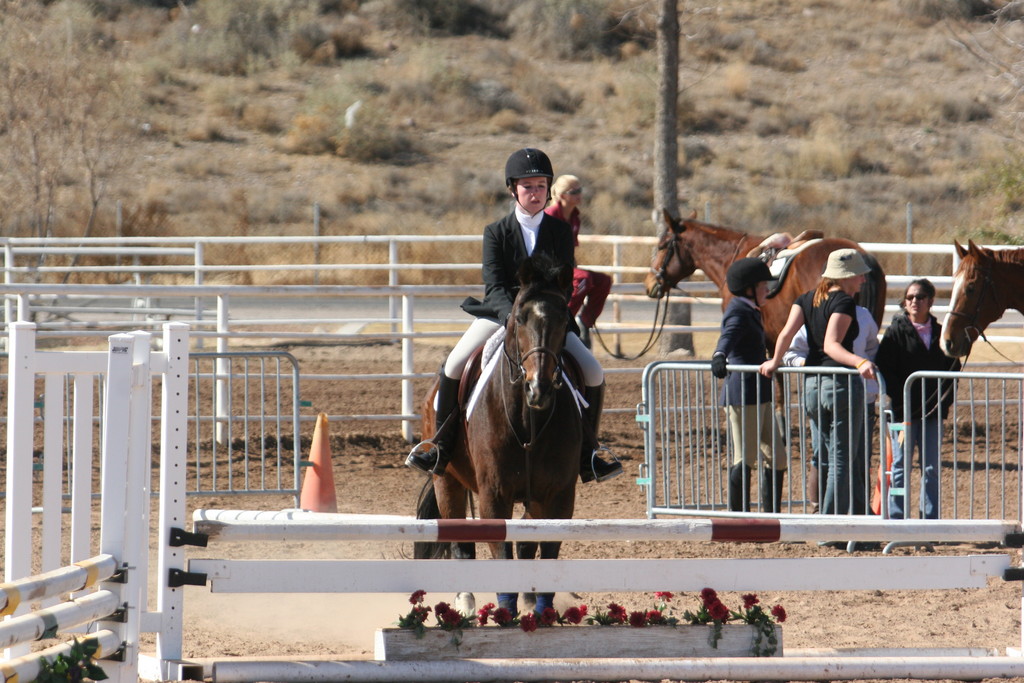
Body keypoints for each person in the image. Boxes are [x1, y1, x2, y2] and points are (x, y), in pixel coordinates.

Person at [405, 148, 622, 483]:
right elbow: (494, 285)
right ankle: (441, 444)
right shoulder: (496, 232)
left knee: (593, 370)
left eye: (540, 186)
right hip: (500, 316)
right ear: (513, 190)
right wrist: (513, 317)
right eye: (527, 187)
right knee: (454, 364)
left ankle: (589, 452)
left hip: (546, 322)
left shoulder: (560, 232)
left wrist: (548, 315)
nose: (534, 193)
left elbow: (564, 283)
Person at [760, 248, 876, 516]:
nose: (863, 281)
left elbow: (786, 333)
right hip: (840, 385)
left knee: (824, 456)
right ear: (846, 277)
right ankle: (832, 525)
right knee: (842, 460)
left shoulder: (805, 299)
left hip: (812, 386)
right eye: (859, 276)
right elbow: (831, 345)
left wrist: (775, 361)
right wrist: (859, 362)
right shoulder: (844, 302)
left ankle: (843, 517)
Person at [875, 278, 961, 519]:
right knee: (900, 467)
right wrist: (902, 400)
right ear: (904, 301)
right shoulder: (894, 333)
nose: (914, 301)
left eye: (920, 297)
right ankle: (897, 517)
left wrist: (943, 403)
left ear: (930, 301)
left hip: (932, 414)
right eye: (910, 297)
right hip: (902, 415)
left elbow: (952, 370)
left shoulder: (942, 333)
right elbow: (885, 369)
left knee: (931, 468)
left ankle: (930, 519)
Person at [784, 306, 879, 514]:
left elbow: (872, 349)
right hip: (825, 392)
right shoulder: (815, 314)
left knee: (859, 456)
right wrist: (813, 365)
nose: (862, 280)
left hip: (861, 396)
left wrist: (871, 382)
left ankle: (857, 510)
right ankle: (821, 510)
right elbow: (791, 353)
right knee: (824, 454)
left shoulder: (863, 314)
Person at [710, 258, 786, 512]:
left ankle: (771, 517)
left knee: (777, 457)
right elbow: (728, 336)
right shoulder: (738, 311)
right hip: (743, 393)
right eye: (763, 285)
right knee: (745, 458)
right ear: (749, 289)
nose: (767, 289)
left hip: (760, 391)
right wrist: (719, 355)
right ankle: (738, 518)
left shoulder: (751, 310)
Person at [544, 175, 612, 349]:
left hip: (566, 265)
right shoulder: (550, 216)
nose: (579, 194)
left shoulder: (574, 217)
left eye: (580, 190)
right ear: (563, 195)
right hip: (550, 267)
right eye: (574, 191)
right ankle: (564, 320)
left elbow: (571, 249)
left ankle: (585, 322)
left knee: (604, 281)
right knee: (583, 279)